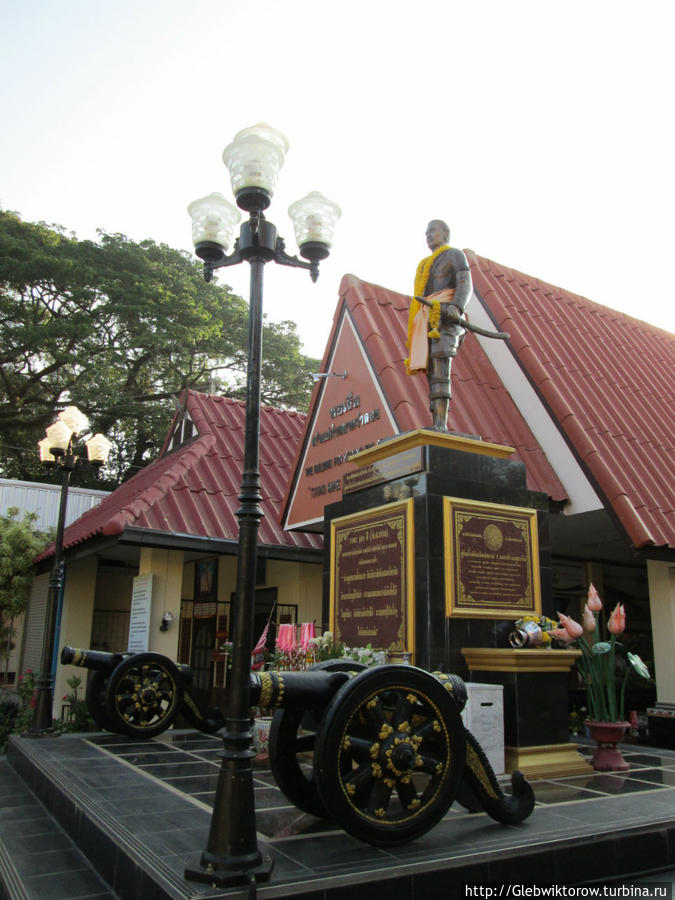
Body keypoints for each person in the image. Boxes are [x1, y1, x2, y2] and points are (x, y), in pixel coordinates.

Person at [405, 220, 473, 430]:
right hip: (427, 316)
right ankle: (436, 421)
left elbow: (464, 282)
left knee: (441, 364)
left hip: (446, 317)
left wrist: (457, 307)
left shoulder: (454, 254)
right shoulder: (425, 264)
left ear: (445, 234)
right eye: (426, 233)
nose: (428, 236)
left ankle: (441, 424)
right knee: (432, 371)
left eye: (432, 232)